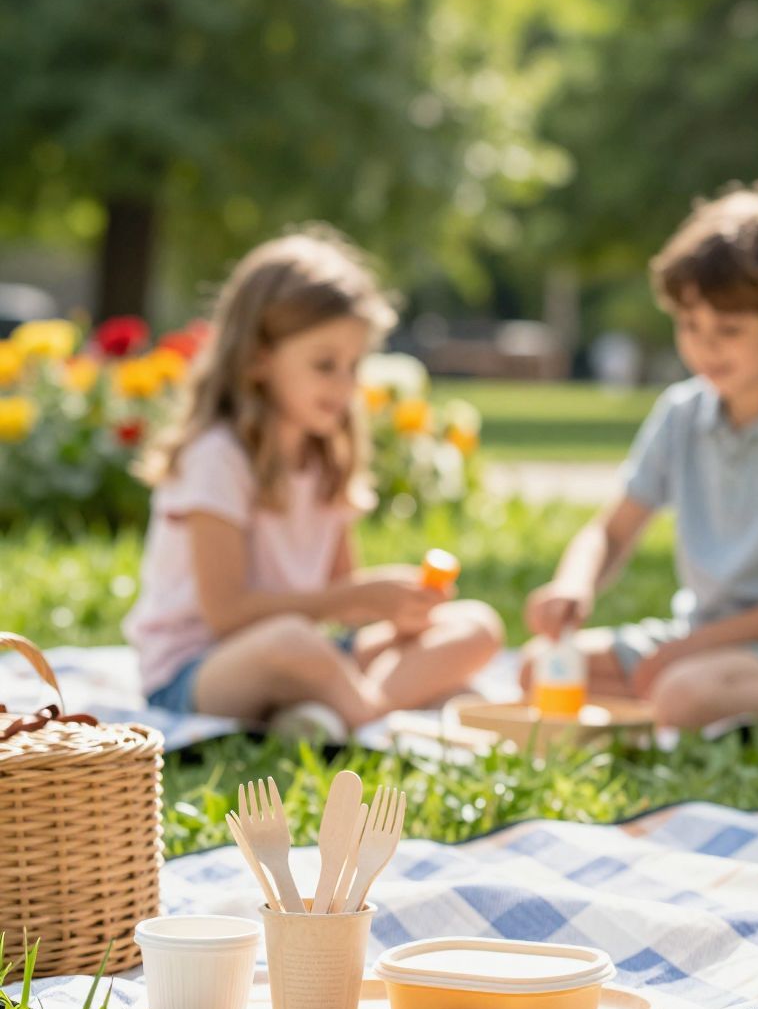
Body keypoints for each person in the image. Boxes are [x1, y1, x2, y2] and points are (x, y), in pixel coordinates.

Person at [522, 181, 758, 732]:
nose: (704, 347)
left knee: (683, 693)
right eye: (690, 326)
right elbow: (612, 532)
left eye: (729, 330)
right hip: (698, 636)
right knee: (539, 670)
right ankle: (680, 704)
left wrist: (692, 649)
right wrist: (574, 583)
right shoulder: (681, 413)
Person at [126, 227, 504, 738]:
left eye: (354, 365)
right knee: (291, 644)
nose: (345, 385)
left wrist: (397, 611)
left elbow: (343, 606)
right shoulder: (217, 456)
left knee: (477, 626)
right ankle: (375, 712)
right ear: (259, 356)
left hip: (310, 654)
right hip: (201, 670)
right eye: (325, 365)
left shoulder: (326, 455)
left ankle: (334, 713)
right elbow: (227, 615)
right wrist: (357, 596)